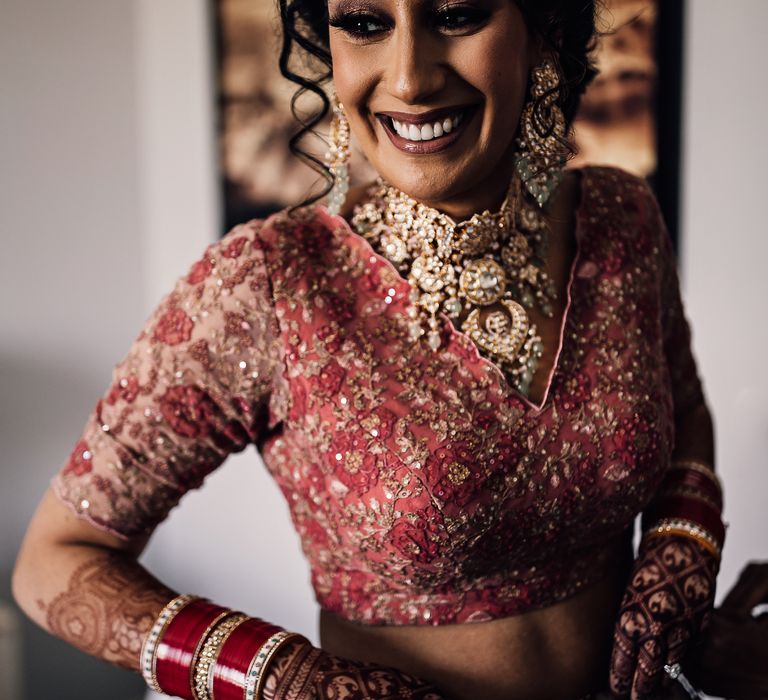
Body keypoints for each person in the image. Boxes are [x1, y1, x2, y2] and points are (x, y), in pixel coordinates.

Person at [11, 1, 727, 699]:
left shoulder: (620, 216)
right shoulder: (269, 284)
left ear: (542, 34)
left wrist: (683, 529)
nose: (409, 77)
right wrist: (282, 676)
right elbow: (51, 564)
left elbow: (684, 402)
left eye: (455, 15)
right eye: (364, 23)